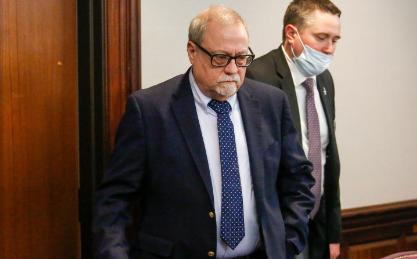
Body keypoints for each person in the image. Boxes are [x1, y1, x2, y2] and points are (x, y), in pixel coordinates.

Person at [94, 5, 316, 259]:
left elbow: (298, 180)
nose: (233, 69)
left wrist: (288, 243)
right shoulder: (150, 110)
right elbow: (114, 199)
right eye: (220, 58)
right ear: (192, 51)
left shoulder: (271, 104)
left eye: (242, 58)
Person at [246, 1, 342, 259]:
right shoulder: (258, 76)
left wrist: (333, 233)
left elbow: (327, 157)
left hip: (317, 224)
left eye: (335, 40)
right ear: (291, 34)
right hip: (278, 227)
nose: (329, 49)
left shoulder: (324, 79)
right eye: (321, 38)